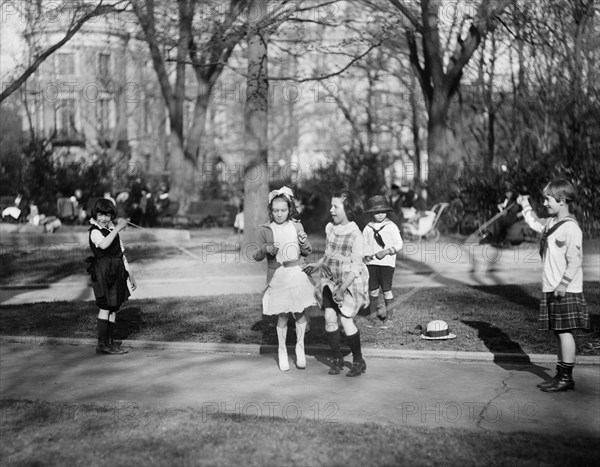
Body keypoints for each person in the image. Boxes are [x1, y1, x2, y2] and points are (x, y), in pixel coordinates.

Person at [517, 179, 589, 392]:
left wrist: (564, 283)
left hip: (564, 289)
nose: (545, 203)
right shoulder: (550, 223)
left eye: (548, 199)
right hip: (552, 286)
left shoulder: (571, 228)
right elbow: (534, 222)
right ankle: (561, 374)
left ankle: (567, 377)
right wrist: (525, 204)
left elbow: (575, 260)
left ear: (562, 200)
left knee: (564, 332)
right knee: (558, 332)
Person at [305, 189, 370, 377]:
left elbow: (356, 267)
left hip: (347, 282)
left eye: (336, 206)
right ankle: (337, 358)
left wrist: (342, 288)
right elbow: (329, 253)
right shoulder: (330, 228)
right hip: (329, 279)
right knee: (329, 318)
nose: (331, 210)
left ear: (348, 210)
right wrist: (318, 265)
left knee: (346, 319)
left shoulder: (356, 235)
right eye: (331, 206)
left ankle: (358, 360)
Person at [253, 187, 316, 371]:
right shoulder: (266, 229)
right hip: (279, 275)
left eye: (283, 210)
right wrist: (265, 248)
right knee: (282, 314)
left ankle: (300, 347)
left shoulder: (296, 225)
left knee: (300, 312)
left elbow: (307, 251)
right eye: (276, 210)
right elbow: (256, 255)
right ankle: (282, 350)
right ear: (270, 211)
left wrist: (304, 241)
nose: (279, 214)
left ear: (289, 209)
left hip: (296, 272)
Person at [86, 198, 137, 355]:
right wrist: (117, 229)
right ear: (96, 214)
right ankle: (102, 344)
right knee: (105, 307)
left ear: (111, 216)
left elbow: (120, 253)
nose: (104, 218)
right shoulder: (95, 231)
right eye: (101, 214)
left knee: (113, 308)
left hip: (117, 271)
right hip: (103, 272)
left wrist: (130, 273)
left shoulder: (111, 230)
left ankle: (110, 342)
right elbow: (104, 245)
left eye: (107, 215)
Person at [363, 195, 404, 329]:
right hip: (372, 264)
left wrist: (386, 251)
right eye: (376, 212)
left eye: (382, 211)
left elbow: (399, 244)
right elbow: (364, 244)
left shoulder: (391, 226)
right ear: (371, 213)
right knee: (373, 291)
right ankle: (373, 317)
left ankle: (389, 318)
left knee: (386, 290)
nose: (380, 215)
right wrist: (365, 256)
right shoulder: (368, 228)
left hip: (387, 264)